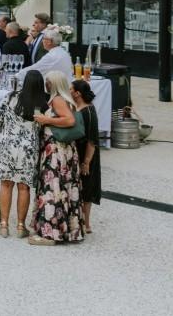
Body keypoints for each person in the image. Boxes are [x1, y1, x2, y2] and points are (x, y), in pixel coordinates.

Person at [29, 71, 84, 245]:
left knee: (51, 188)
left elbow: (69, 121)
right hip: (65, 150)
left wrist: (46, 119)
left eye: (48, 82)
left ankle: (50, 233)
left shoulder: (58, 100)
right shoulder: (68, 100)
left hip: (56, 150)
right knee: (64, 188)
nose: (46, 85)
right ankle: (67, 229)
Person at [0, 70, 45, 238]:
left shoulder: (10, 97)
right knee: (24, 187)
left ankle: (4, 225)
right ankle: (21, 226)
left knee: (6, 184)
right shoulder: (42, 102)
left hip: (8, 145)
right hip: (28, 148)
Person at [71, 78, 101, 234]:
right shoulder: (79, 108)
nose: (69, 91)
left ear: (77, 93)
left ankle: (86, 223)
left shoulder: (88, 112)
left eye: (71, 89)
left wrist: (86, 163)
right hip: (80, 152)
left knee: (87, 188)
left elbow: (92, 141)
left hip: (86, 155)